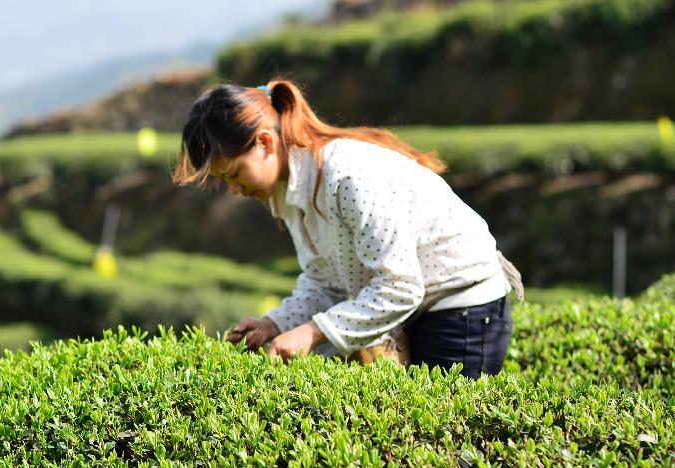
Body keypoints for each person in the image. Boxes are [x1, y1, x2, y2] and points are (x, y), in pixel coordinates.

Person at [171, 79, 524, 379]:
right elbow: (326, 280)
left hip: (460, 306)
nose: (234, 190)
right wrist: (276, 323)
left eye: (234, 174)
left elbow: (400, 287)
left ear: (265, 143)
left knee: (444, 451)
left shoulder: (346, 176)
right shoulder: (293, 188)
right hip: (422, 308)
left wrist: (311, 332)